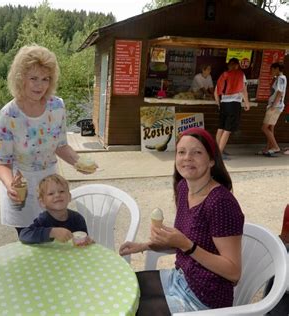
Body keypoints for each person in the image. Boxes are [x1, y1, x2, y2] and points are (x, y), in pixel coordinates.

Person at [119, 127, 244, 315]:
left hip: (205, 298)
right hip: (180, 278)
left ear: (211, 160)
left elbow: (233, 272)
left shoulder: (221, 203)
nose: (187, 158)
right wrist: (143, 246)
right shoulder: (183, 187)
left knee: (131, 311)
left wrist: (187, 245)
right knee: (123, 290)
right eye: (181, 152)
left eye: (197, 152)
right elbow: (182, 242)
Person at [0, 44, 91, 236]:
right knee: (30, 241)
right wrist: (10, 186)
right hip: (21, 188)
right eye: (33, 78)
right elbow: (2, 163)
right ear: (21, 78)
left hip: (50, 187)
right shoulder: (8, 115)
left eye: (45, 79)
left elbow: (61, 146)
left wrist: (78, 162)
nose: (40, 85)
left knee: (55, 240)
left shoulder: (57, 107)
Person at [19, 174, 92, 245]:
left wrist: (87, 241)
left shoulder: (77, 218)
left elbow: (83, 239)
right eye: (51, 193)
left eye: (61, 191)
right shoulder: (43, 220)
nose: (57, 195)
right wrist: (51, 232)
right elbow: (24, 235)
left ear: (69, 197)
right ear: (42, 202)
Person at [214, 58, 250, 159]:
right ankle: (219, 154)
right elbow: (243, 90)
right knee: (227, 129)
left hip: (223, 104)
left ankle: (216, 150)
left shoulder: (223, 75)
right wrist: (247, 103)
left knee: (220, 128)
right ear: (237, 65)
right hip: (234, 104)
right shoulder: (240, 74)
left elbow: (216, 92)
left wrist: (219, 104)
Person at [259, 62, 286, 157]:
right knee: (270, 128)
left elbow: (280, 92)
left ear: (277, 68)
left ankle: (275, 147)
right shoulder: (278, 78)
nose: (271, 71)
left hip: (275, 106)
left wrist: (273, 105)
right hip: (275, 106)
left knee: (264, 127)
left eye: (272, 69)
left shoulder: (281, 78)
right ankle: (268, 148)